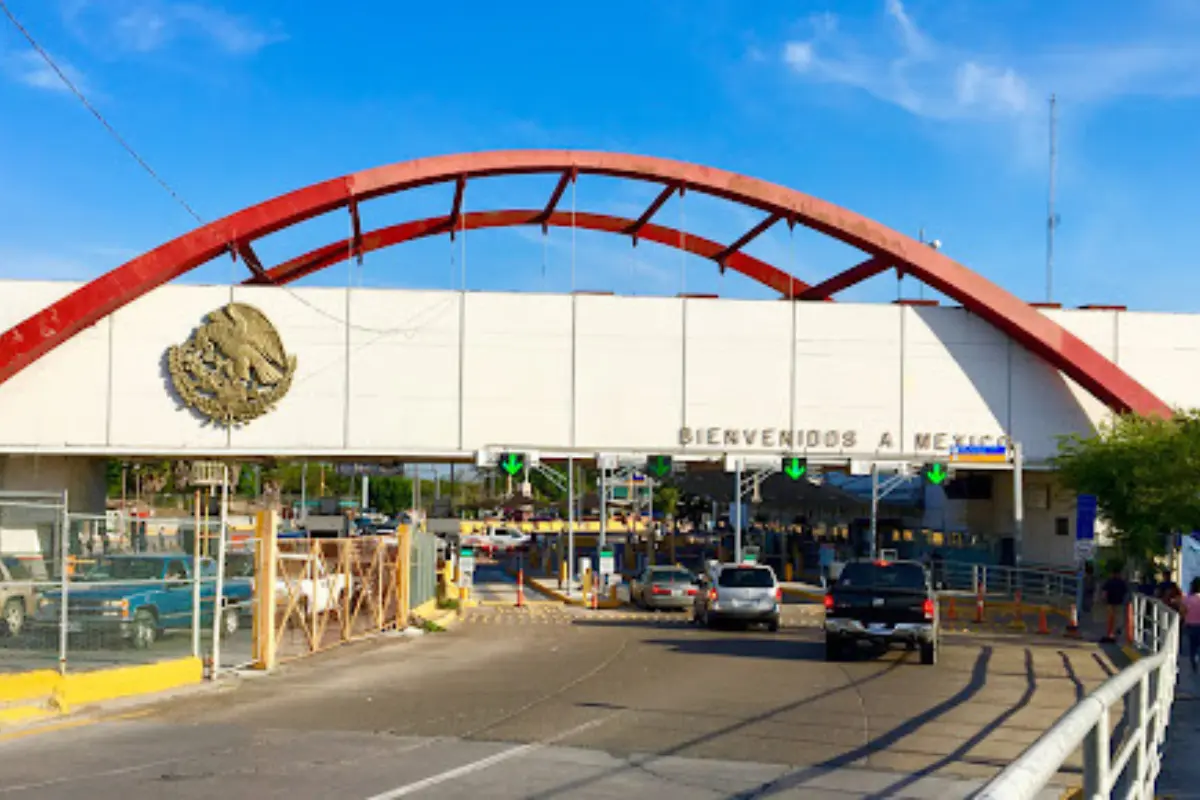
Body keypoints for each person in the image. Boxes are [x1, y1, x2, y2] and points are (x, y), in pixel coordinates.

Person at [1100, 566, 1129, 643]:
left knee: (1110, 619)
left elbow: (1104, 593)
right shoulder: (1122, 582)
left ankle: (1110, 634)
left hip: (1110, 603)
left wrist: (1104, 600)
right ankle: (1115, 633)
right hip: (1119, 603)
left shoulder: (1109, 582)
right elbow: (1126, 593)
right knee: (1118, 619)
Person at [1184, 578, 1200, 673]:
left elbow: (1183, 611)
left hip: (1190, 625)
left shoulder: (1188, 599)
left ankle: (1194, 662)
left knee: (1192, 646)